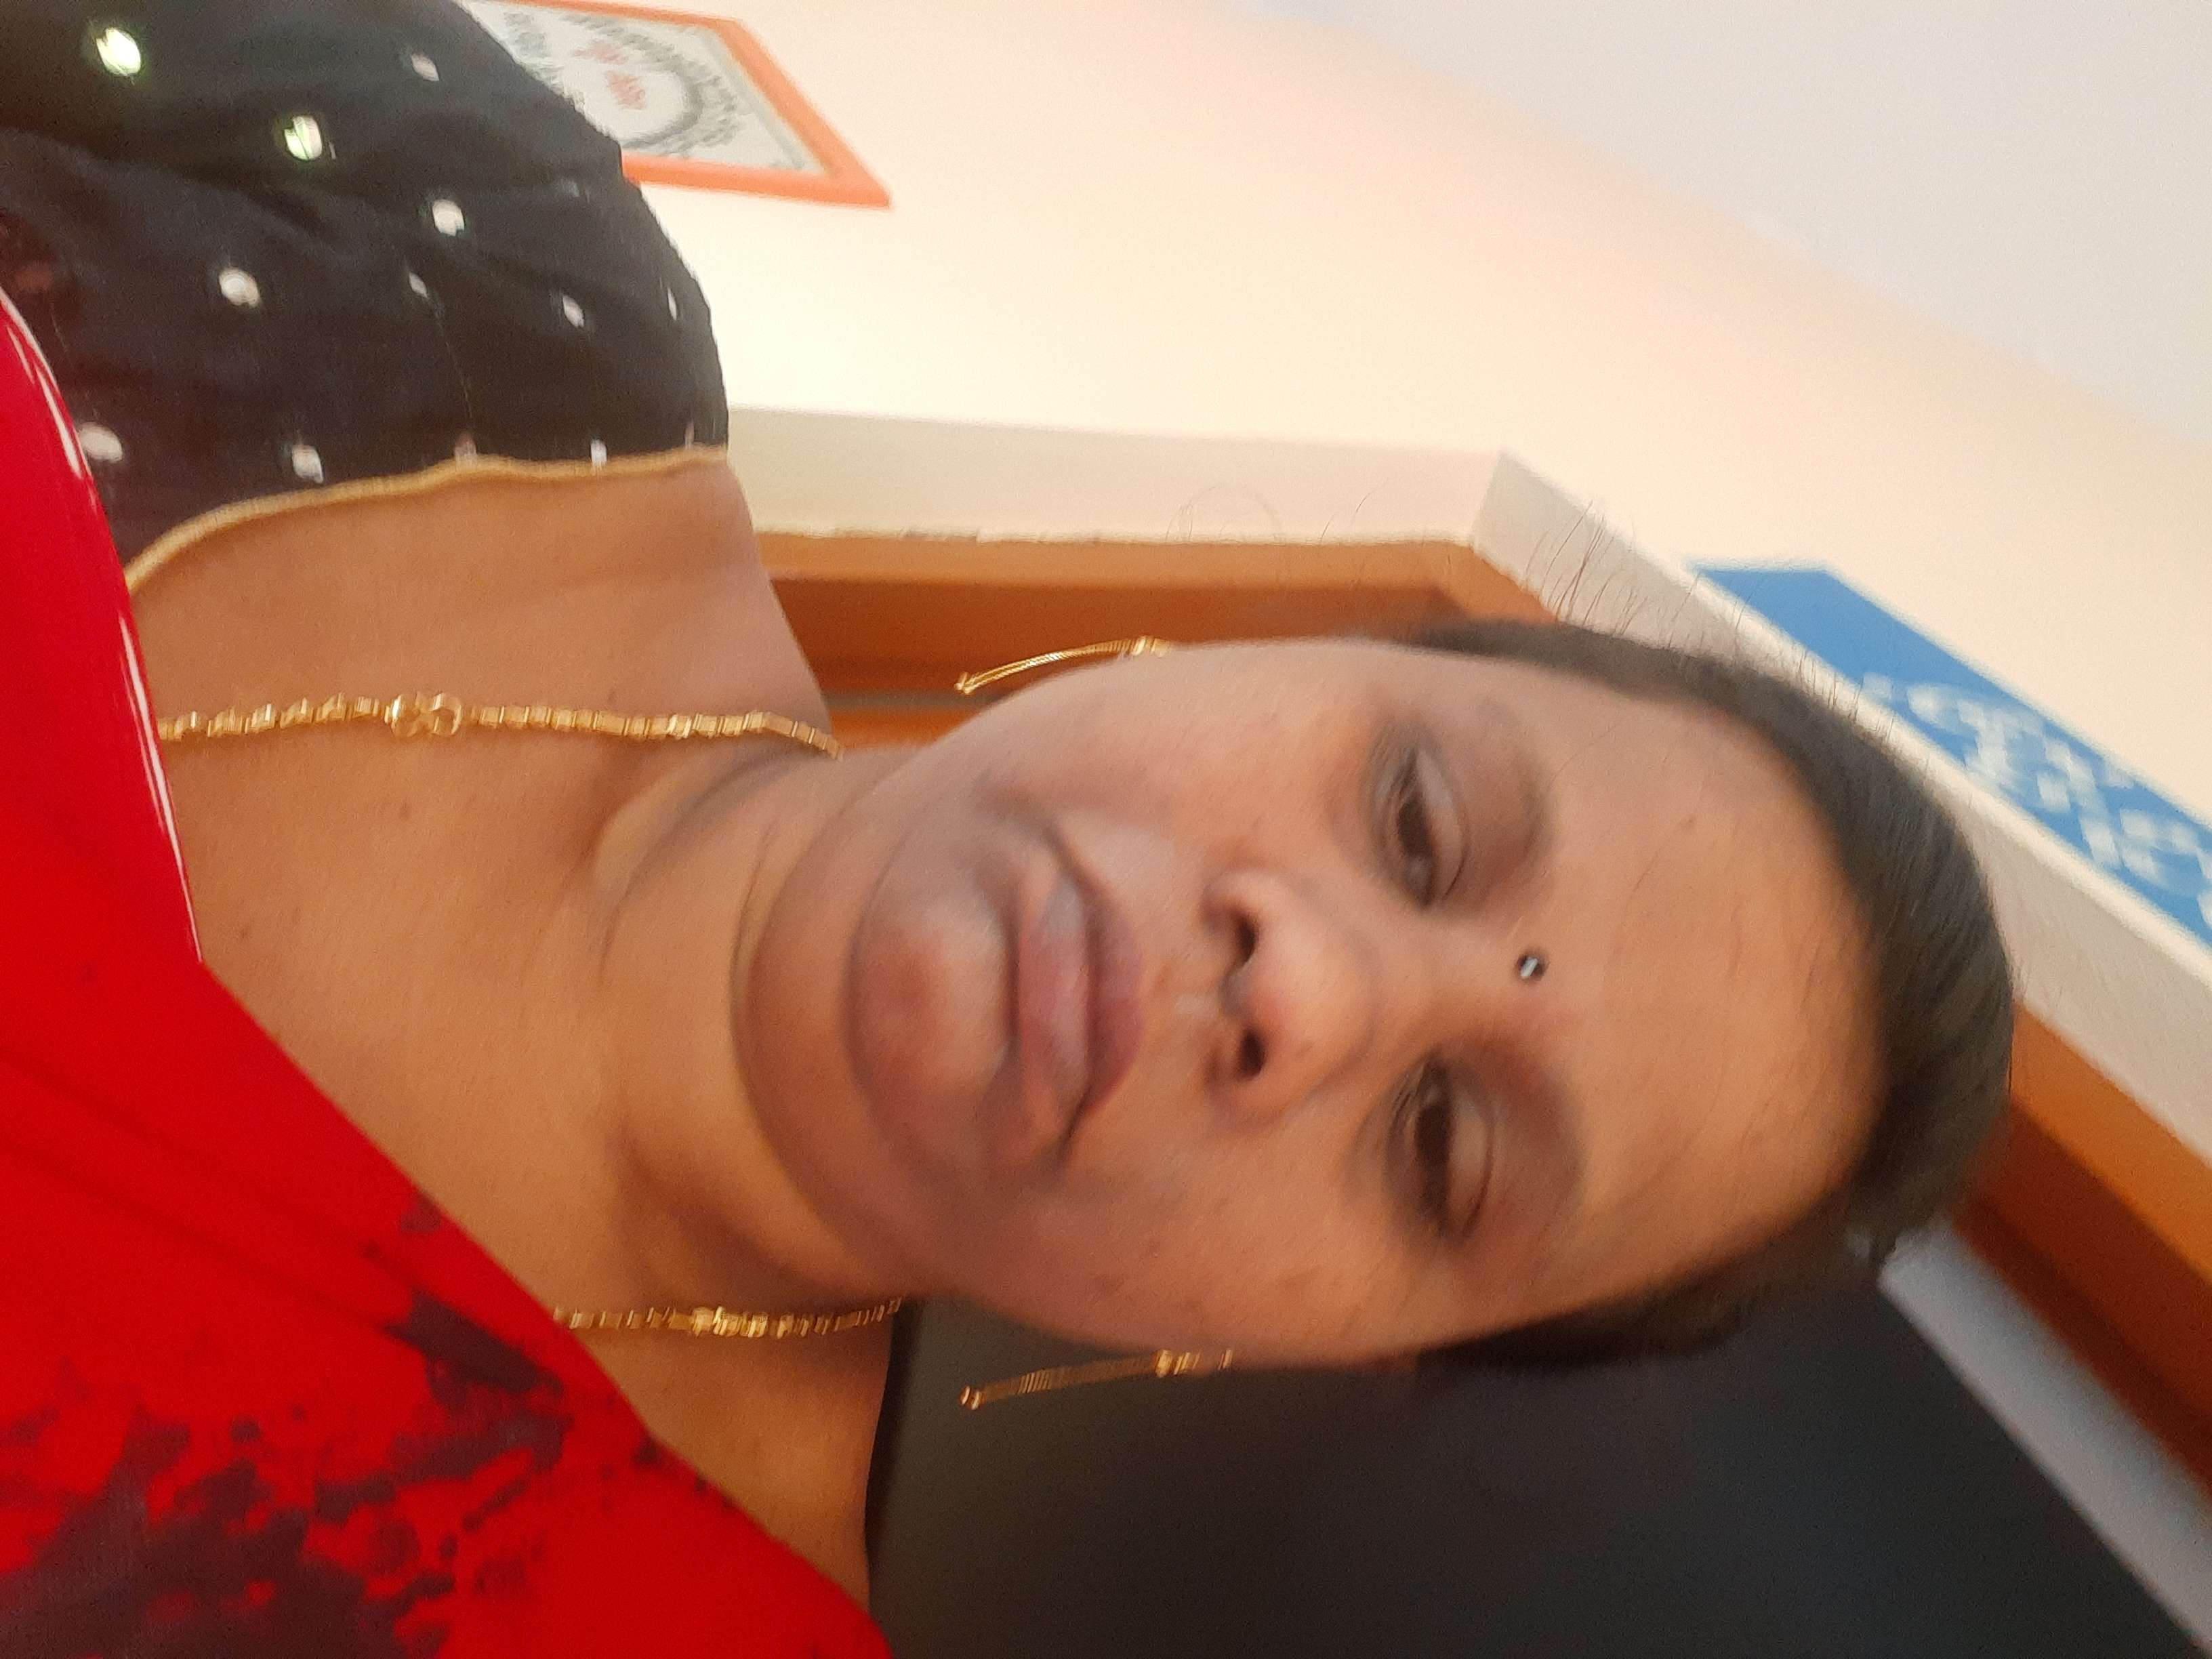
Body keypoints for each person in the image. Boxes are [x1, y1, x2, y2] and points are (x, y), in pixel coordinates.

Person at [0, 1, 2013, 1651]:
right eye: (1416, 820)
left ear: (1334, 1351)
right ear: (1299, 645)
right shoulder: (486, 255)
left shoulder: (624, 1611)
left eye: (1442, 1147)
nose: (1307, 993)